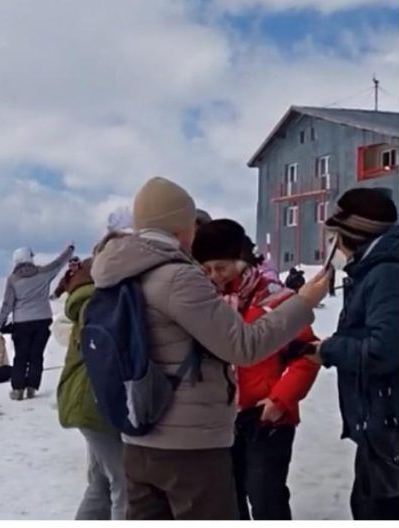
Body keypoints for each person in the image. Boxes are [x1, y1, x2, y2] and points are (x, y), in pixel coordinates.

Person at [89, 176, 331, 520]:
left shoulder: (118, 273)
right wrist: (303, 302)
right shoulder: (178, 277)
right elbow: (242, 346)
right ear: (181, 227)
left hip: (139, 435)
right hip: (189, 441)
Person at [192, 219, 320, 520]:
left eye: (221, 267)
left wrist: (279, 401)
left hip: (267, 418)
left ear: (241, 260)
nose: (214, 277)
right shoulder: (204, 303)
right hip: (222, 418)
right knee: (230, 498)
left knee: (266, 498)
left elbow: (307, 356)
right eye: (206, 269)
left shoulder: (277, 299)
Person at [305, 187, 399, 520]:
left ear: (352, 235)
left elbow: (382, 349)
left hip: (386, 422)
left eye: (333, 236)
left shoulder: (384, 274)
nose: (330, 245)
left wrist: (330, 350)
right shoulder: (370, 270)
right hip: (378, 422)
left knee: (377, 509)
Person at [56, 257, 127, 520]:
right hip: (95, 402)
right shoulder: (99, 305)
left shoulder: (86, 303)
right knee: (123, 483)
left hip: (83, 400)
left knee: (102, 482)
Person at [0, 243, 75, 400]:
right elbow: (58, 263)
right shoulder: (43, 273)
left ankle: (18, 389)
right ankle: (32, 387)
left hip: (21, 322)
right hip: (43, 320)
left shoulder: (13, 279)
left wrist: (1, 321)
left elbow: (8, 303)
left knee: (21, 356)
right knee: (36, 355)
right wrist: (69, 250)